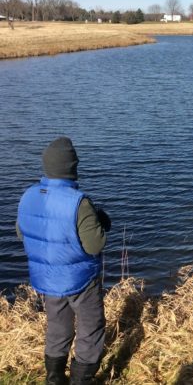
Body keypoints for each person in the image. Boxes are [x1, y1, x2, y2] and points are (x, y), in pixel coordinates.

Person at [16, 137, 111, 385]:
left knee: (58, 327)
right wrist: (98, 221)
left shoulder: (28, 196)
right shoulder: (79, 202)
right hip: (80, 279)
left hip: (47, 278)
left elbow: (22, 232)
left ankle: (54, 378)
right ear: (72, 168)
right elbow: (95, 244)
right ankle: (80, 381)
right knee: (91, 328)